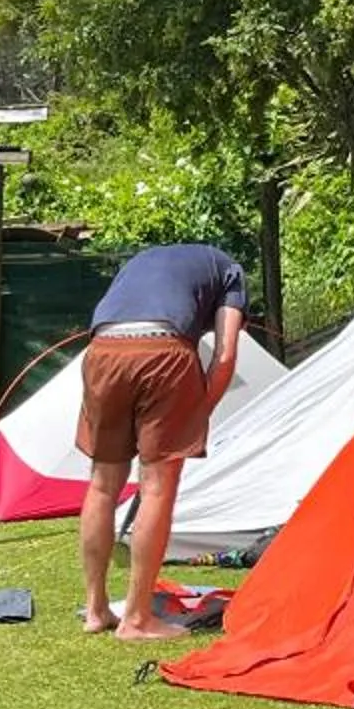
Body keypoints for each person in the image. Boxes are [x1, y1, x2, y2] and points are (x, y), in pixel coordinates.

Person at [78, 241, 246, 641]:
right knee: (156, 488)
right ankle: (137, 620)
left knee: (102, 484)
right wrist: (198, 412)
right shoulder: (230, 272)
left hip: (101, 349)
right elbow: (224, 354)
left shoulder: (139, 261)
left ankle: (96, 609)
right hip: (164, 349)